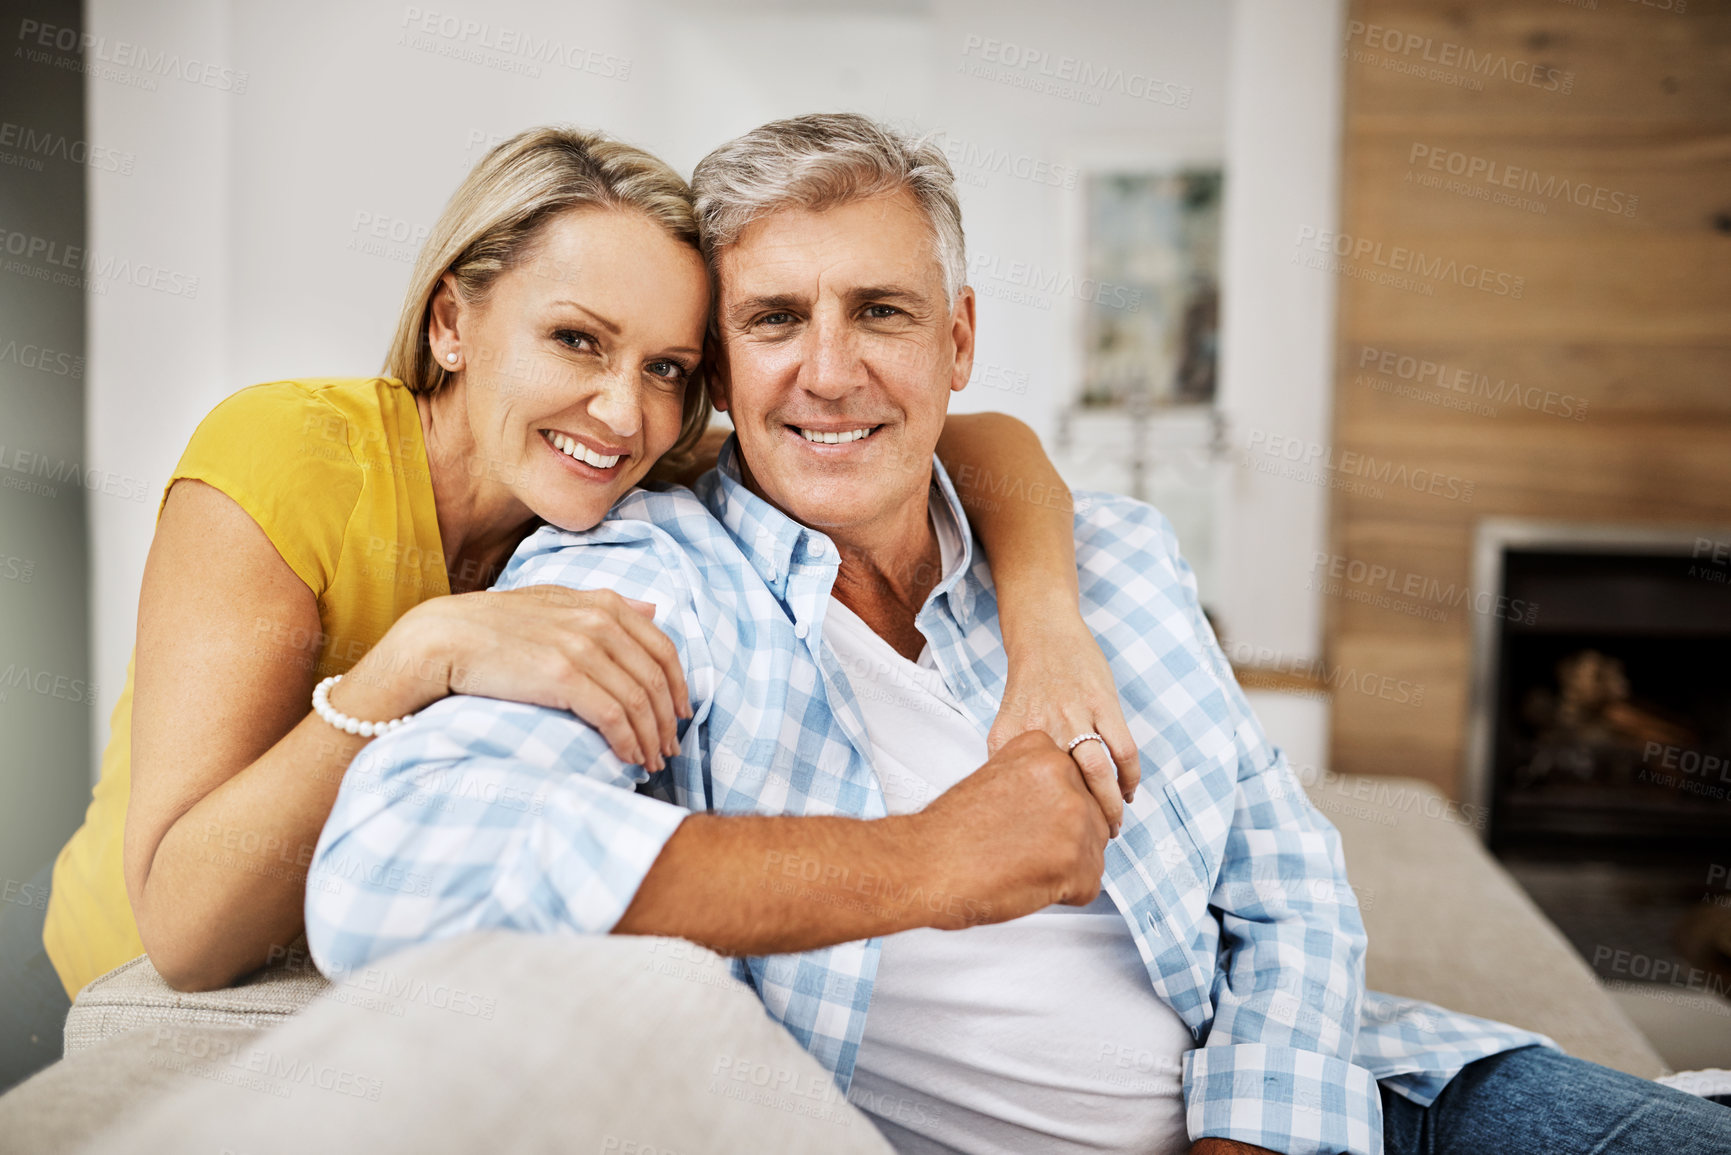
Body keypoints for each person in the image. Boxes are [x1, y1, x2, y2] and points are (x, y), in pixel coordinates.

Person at [305, 113, 1731, 1155]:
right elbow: (387, 876)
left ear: (958, 341)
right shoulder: (644, 581)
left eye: (880, 311)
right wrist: (932, 859)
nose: (830, 367)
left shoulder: (1104, 558)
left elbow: (1284, 880)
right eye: (774, 319)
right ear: (725, 372)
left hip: (1366, 1100)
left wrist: (1253, 1135)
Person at [0, 125, 1133, 1096]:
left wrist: (1049, 625)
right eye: (576, 340)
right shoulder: (290, 458)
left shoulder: (632, 486)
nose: (619, 408)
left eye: (667, 368)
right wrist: (420, 654)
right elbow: (186, 933)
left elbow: (980, 441)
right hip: (120, 971)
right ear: (452, 323)